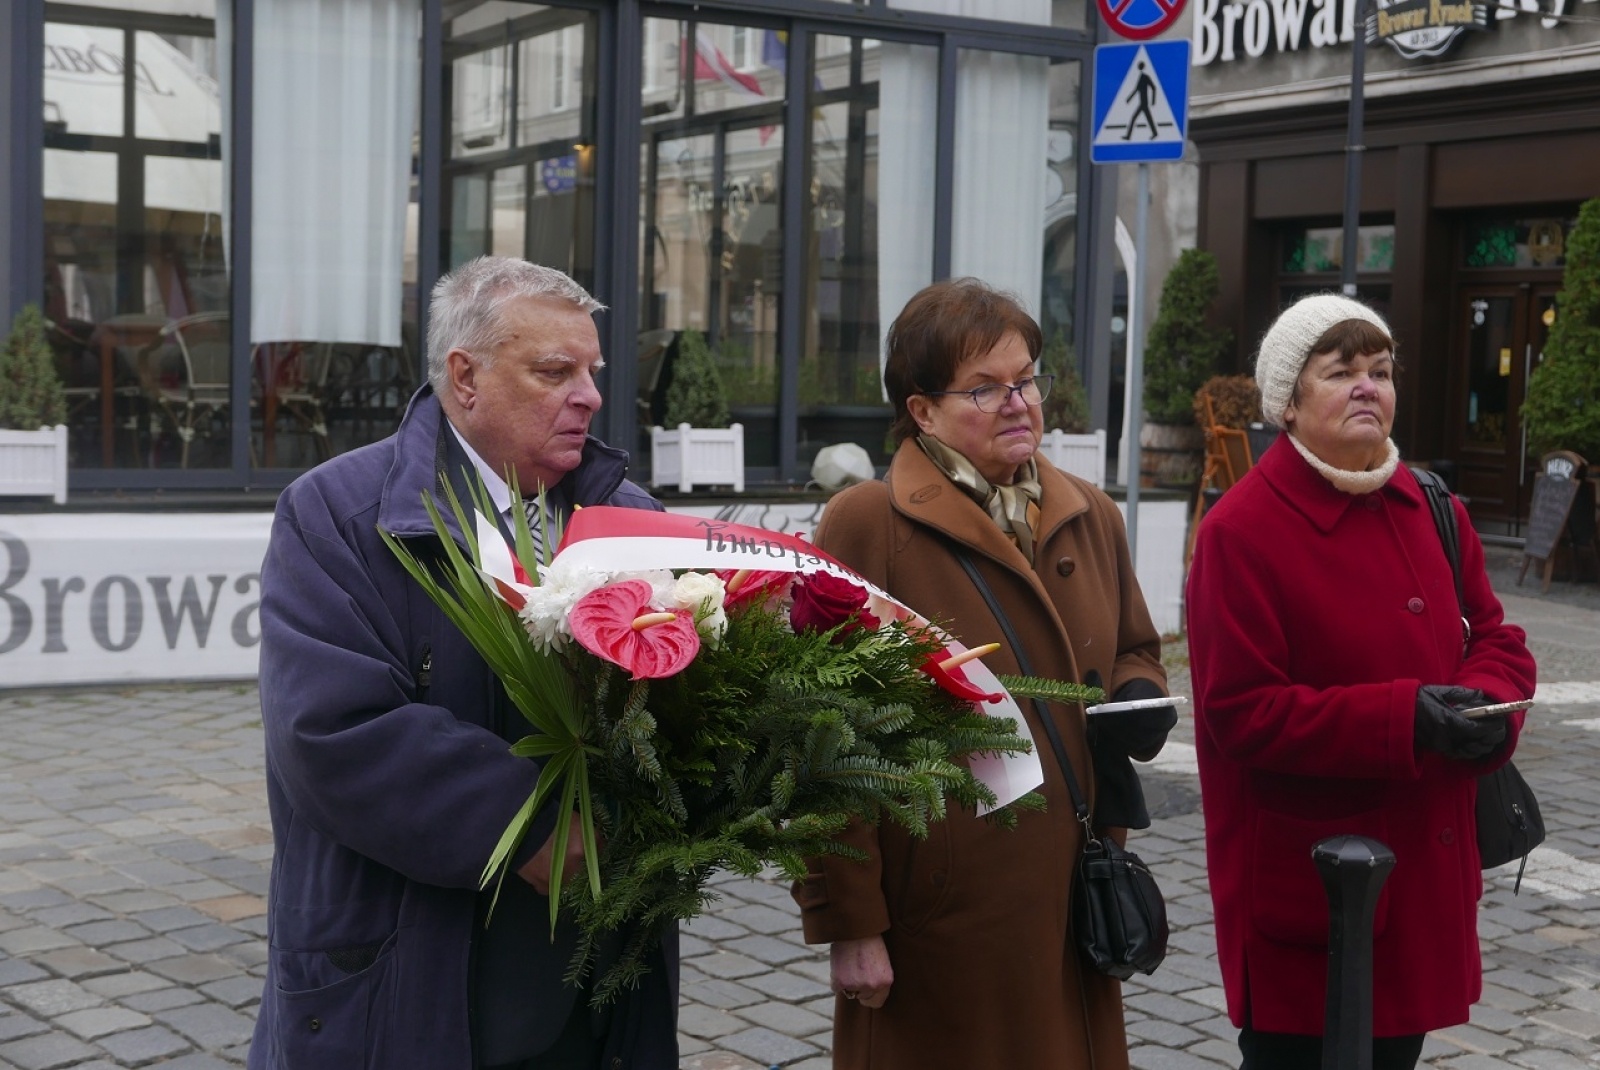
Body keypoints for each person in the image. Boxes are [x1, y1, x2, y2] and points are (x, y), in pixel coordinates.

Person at [250, 257, 678, 1070]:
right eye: (555, 371)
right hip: (411, 977)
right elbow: (329, 731)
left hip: (597, 992)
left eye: (591, 371)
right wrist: (531, 826)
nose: (588, 394)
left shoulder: (632, 519)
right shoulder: (336, 514)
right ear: (465, 376)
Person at [791, 277, 1173, 1070]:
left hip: (1074, 888)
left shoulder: (1088, 512)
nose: (1018, 402)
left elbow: (1136, 643)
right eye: (984, 388)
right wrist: (851, 924)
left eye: (1027, 378)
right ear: (921, 411)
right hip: (940, 913)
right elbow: (823, 734)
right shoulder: (869, 521)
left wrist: (1136, 692)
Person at [1185, 293, 1538, 1070]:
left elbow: (1498, 637)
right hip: (1317, 894)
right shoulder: (1239, 533)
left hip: (1423, 884)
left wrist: (1487, 707)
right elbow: (1241, 712)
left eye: (1380, 371)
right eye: (1340, 372)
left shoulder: (1433, 505)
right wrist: (1403, 718)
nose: (1367, 388)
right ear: (1287, 400)